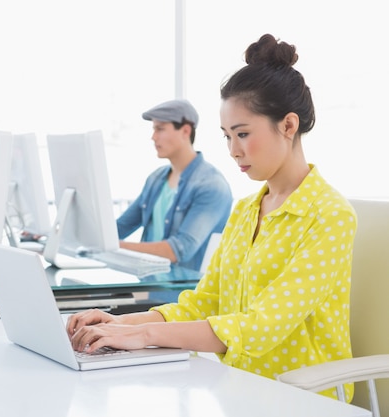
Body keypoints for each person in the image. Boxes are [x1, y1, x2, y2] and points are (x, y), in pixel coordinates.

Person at [67, 34, 357, 402]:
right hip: (238, 388)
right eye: (226, 136)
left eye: (243, 134)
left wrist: (142, 336)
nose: (234, 151)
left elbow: (261, 328)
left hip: (301, 398)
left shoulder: (330, 216)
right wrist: (119, 322)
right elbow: (202, 304)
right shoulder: (246, 209)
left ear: (287, 126)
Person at [116, 99, 232, 270]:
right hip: (151, 287)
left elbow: (180, 250)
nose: (153, 137)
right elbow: (121, 227)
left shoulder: (211, 185)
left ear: (185, 130)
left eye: (160, 129)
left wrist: (116, 246)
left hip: (186, 294)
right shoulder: (156, 179)